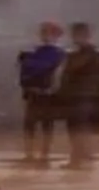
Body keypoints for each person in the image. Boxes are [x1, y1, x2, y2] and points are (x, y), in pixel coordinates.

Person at [55, 21, 99, 168]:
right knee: (74, 128)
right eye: (74, 35)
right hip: (74, 97)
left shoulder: (90, 56)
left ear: (85, 36)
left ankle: (83, 159)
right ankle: (78, 158)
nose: (75, 38)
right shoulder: (79, 55)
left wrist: (84, 91)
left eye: (78, 34)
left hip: (82, 97)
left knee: (80, 128)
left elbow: (95, 78)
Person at [16, 22, 66, 165]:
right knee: (31, 125)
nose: (46, 35)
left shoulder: (56, 54)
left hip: (47, 95)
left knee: (44, 125)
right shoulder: (39, 53)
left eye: (49, 33)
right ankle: (33, 153)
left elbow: (33, 69)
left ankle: (43, 154)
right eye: (44, 32)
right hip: (36, 95)